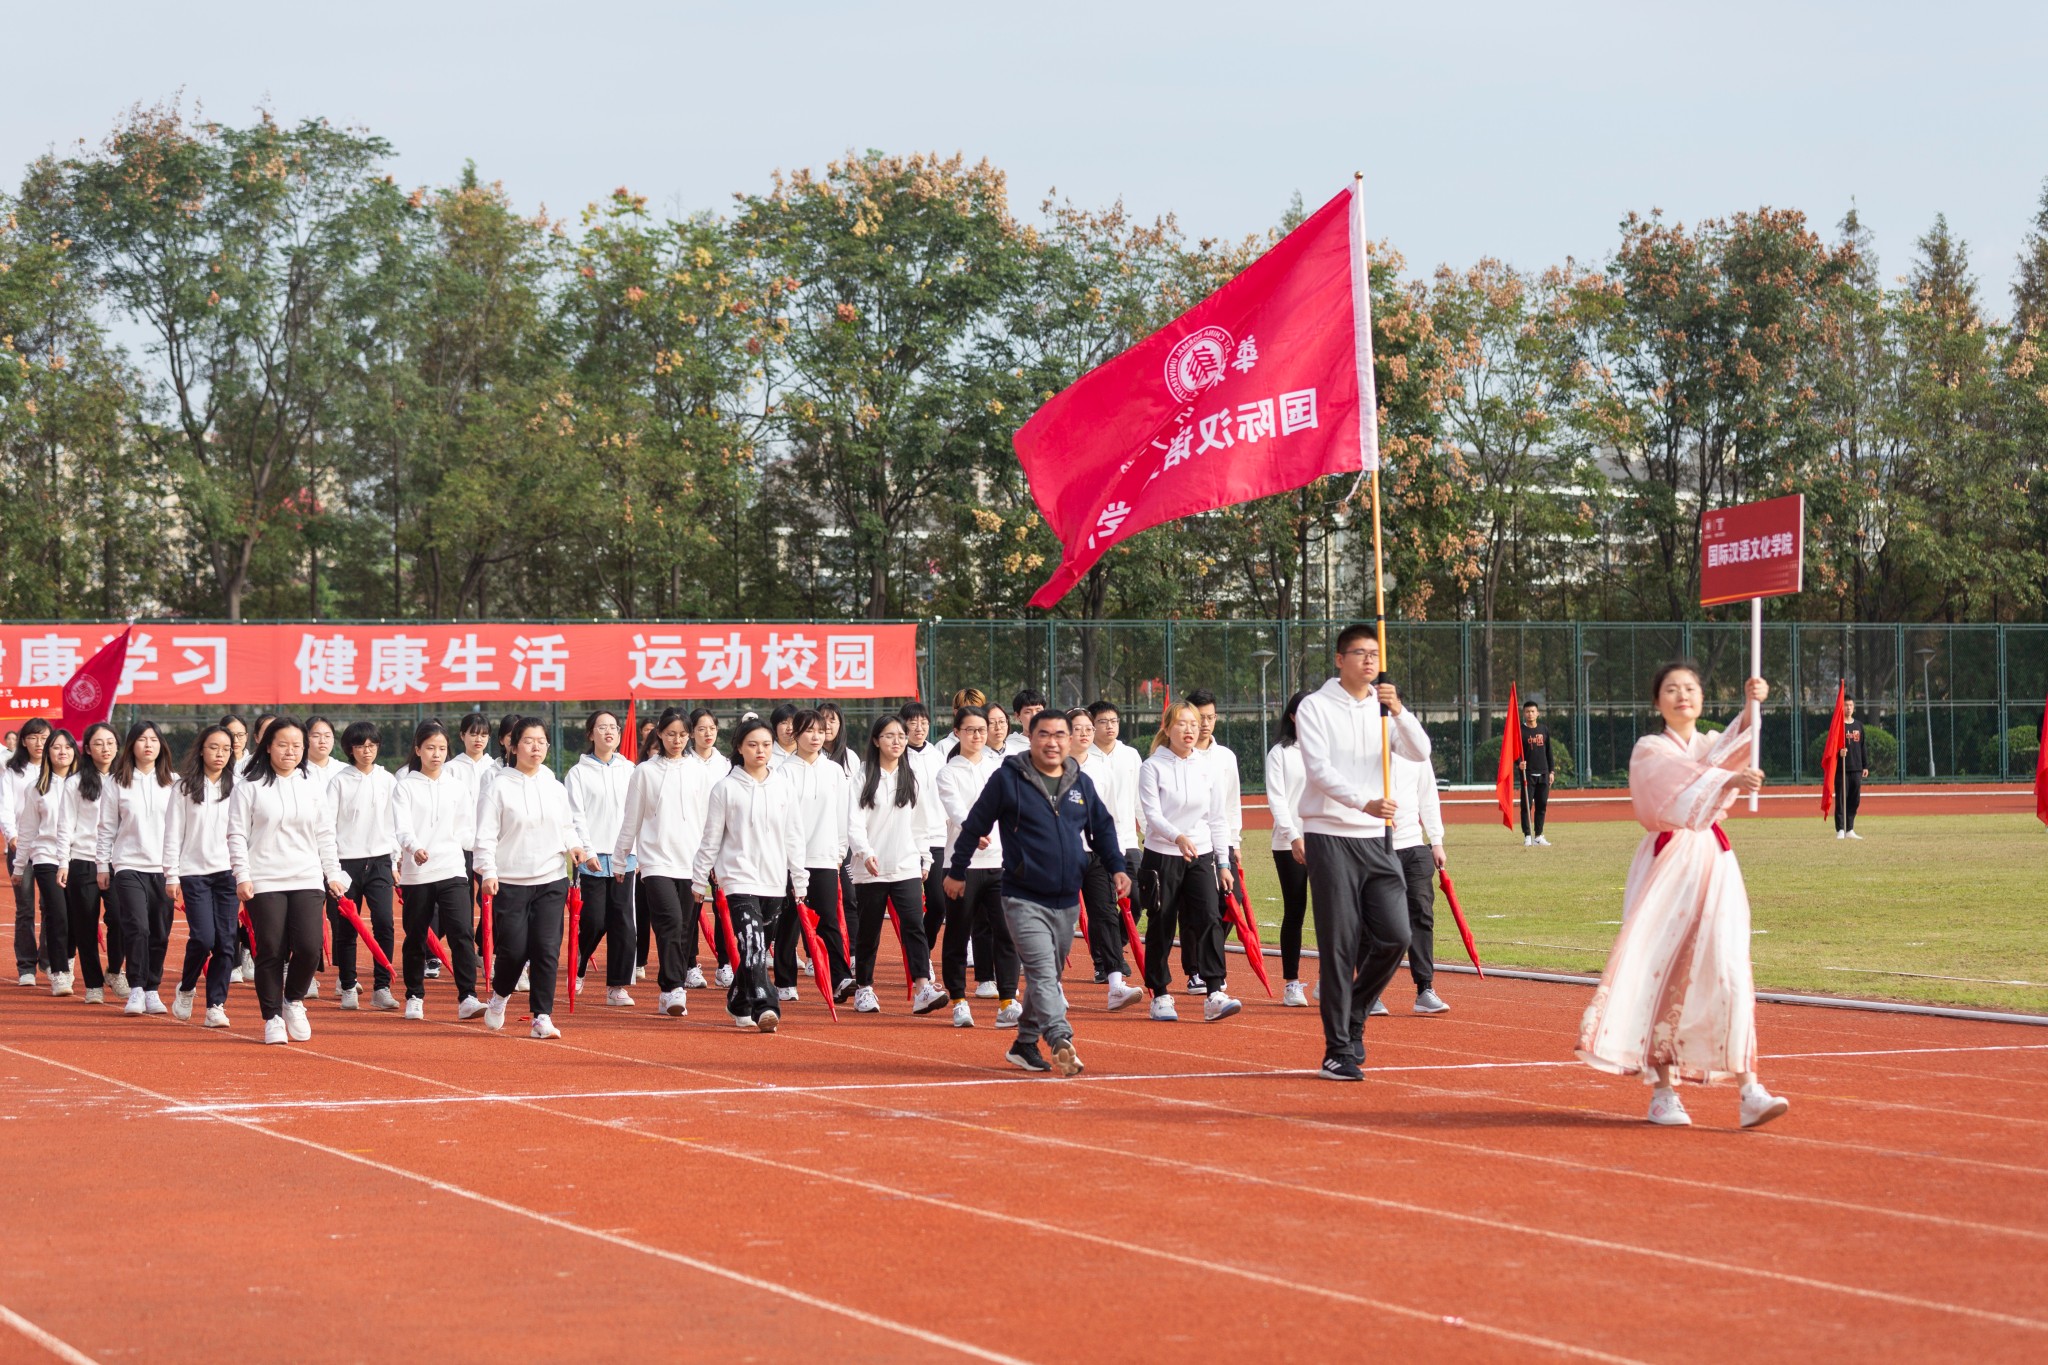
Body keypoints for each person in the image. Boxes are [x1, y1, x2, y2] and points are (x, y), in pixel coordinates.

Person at [1576, 664, 1790, 1130]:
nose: (1682, 696)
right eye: (1671, 689)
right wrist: (1728, 780)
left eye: (1690, 688)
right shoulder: (1649, 749)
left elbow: (1734, 746)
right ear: (1657, 702)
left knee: (1730, 970)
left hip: (1714, 861)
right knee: (1662, 971)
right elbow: (1682, 781)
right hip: (1668, 865)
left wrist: (1753, 703)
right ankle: (1663, 1093)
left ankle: (1750, 1089)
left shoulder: (1710, 743)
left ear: (1702, 697)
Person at [946, 709, 1128, 1076]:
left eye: (1060, 735)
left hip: (1066, 900)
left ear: (1070, 740)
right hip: (1022, 897)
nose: (1052, 742)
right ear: (1029, 738)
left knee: (1048, 976)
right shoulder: (1007, 780)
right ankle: (1060, 1037)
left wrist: (1117, 867)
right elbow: (975, 824)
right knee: (1043, 974)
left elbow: (1103, 828)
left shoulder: (1079, 783)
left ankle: (1024, 1044)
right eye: (1043, 734)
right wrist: (957, 870)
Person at [1295, 624, 1432, 1081]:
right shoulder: (1315, 707)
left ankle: (1355, 1012)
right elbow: (1318, 770)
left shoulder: (1383, 708)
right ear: (1340, 659)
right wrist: (1363, 802)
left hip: (1377, 839)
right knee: (1340, 943)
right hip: (1330, 835)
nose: (1370, 660)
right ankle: (1337, 1050)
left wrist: (1400, 711)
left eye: (1375, 653)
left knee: (1396, 935)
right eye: (1359, 652)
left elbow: (1420, 751)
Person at [229, 718, 349, 1045]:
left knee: (310, 948)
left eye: (297, 745)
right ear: (268, 746)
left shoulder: (312, 785)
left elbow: (325, 833)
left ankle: (293, 1000)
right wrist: (242, 875)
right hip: (264, 878)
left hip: (306, 876)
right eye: (283, 744)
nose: (290, 751)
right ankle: (272, 1017)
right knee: (271, 949)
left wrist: (333, 873)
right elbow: (237, 834)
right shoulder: (248, 786)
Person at [475, 717, 585, 1039]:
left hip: (551, 878)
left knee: (546, 949)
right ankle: (500, 996)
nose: (536, 747)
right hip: (510, 881)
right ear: (513, 746)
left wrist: (575, 845)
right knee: (513, 950)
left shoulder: (554, 786)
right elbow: (485, 835)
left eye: (541, 741)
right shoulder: (497, 787)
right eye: (528, 741)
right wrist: (488, 871)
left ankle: (542, 1016)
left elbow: (566, 826)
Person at [693, 718, 805, 1031]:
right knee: (753, 944)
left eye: (766, 745)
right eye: (753, 744)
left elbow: (794, 837)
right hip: (738, 879)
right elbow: (711, 839)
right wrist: (699, 880)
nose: (760, 751)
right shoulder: (725, 789)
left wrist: (799, 879)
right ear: (739, 748)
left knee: (755, 948)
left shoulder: (783, 787)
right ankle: (765, 1005)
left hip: (774, 881)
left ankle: (738, 1000)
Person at [1137, 702, 1239, 1022]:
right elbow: (1152, 815)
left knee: (1209, 918)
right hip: (1162, 856)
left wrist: (1223, 863)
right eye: (1182, 723)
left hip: (1201, 855)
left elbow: (1217, 818)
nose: (1190, 730)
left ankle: (1214, 992)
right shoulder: (1152, 767)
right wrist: (1177, 837)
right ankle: (1160, 994)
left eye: (1194, 724)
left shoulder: (1207, 767)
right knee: (1162, 923)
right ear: (1167, 728)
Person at [614, 707, 716, 1017]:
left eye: (683, 735)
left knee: (684, 927)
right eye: (671, 734)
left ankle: (668, 988)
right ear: (659, 734)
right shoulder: (644, 772)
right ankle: (674, 988)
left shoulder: (700, 772)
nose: (677, 740)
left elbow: (710, 822)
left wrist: (713, 860)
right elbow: (631, 818)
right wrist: (620, 858)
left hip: (691, 863)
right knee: (669, 921)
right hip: (655, 862)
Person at [846, 716, 947, 1017]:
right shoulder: (862, 777)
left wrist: (924, 857)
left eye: (901, 736)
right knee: (869, 931)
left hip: (906, 865)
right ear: (876, 740)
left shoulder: (910, 777)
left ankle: (922, 987)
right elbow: (854, 822)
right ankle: (864, 988)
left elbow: (920, 824)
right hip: (872, 868)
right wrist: (864, 853)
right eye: (890, 736)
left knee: (914, 925)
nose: (897, 741)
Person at [392, 720, 487, 1022]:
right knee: (416, 936)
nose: (436, 754)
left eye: (442, 748)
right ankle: (414, 995)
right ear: (418, 749)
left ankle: (468, 997)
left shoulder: (456, 787)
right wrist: (414, 847)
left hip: (452, 869)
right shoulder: (405, 786)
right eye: (430, 748)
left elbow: (466, 830)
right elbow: (402, 828)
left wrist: (487, 847)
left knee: (462, 933)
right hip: (417, 873)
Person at [935, 706, 1018, 1026]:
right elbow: (956, 810)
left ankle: (1008, 1000)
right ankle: (958, 1000)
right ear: (957, 732)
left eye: (981, 730)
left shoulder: (999, 768)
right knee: (958, 932)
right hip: (962, 865)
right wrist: (974, 830)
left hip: (999, 864)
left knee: (1006, 932)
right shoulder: (948, 773)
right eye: (970, 730)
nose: (977, 735)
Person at [96, 721, 179, 1017]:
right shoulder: (117, 782)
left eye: (154, 740)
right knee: (137, 927)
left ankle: (152, 988)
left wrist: (178, 869)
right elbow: (106, 828)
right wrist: (102, 865)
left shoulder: (174, 782)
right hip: (128, 865)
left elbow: (182, 829)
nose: (148, 745)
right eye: (142, 740)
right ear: (131, 745)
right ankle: (136, 988)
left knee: (160, 931)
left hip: (164, 868)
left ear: (161, 745)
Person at [774, 710, 854, 1004]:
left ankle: (840, 977)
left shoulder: (834, 771)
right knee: (789, 921)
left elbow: (843, 813)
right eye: (809, 731)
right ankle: (785, 980)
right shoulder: (783, 772)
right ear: (795, 734)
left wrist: (840, 851)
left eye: (820, 731)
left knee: (828, 919)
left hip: (825, 858)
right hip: (791, 860)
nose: (816, 736)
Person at [1069, 708, 1142, 1010]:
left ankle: (1115, 983)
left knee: (1106, 914)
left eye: (1089, 728)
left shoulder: (1101, 769)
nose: (1085, 733)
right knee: (1058, 919)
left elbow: (1108, 817)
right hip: (1061, 855)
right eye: (1078, 728)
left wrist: (1116, 858)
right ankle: (1047, 986)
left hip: (1096, 854)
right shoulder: (1051, 767)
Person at [164, 725, 237, 1026]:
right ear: (201, 750)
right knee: (204, 938)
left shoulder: (239, 787)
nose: (220, 754)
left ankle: (216, 1005)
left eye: (226, 749)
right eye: (214, 747)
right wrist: (171, 874)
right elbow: (172, 833)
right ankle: (187, 986)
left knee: (226, 942)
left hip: (229, 873)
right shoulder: (183, 788)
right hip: (194, 873)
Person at [565, 709, 637, 1006]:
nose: (609, 732)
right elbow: (576, 816)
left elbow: (637, 813)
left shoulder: (630, 769)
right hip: (592, 859)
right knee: (594, 920)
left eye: (613, 727)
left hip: (625, 857)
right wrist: (588, 851)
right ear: (590, 733)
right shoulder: (578, 773)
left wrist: (635, 850)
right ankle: (579, 965)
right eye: (602, 727)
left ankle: (617, 986)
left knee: (623, 923)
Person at [328, 721, 399, 1012]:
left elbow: (395, 823)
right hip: (346, 864)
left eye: (372, 745)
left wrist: (394, 861)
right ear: (350, 749)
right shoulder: (339, 781)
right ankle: (348, 985)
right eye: (360, 746)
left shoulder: (388, 780)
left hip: (380, 861)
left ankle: (382, 987)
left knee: (384, 923)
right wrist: (331, 869)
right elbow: (327, 826)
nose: (367, 751)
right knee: (346, 928)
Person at [54, 723, 121, 1002]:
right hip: (83, 860)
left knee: (120, 918)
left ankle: (115, 970)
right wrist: (63, 862)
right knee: (84, 924)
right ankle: (93, 985)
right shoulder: (76, 782)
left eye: (110, 742)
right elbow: (65, 825)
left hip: (118, 861)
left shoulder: (125, 779)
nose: (105, 748)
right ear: (88, 750)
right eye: (98, 743)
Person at [1382, 749, 1449, 1015]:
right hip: (1377, 847)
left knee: (1421, 913)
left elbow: (1428, 796)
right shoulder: (1366, 744)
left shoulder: (1417, 750)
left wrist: (1436, 841)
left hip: (1414, 846)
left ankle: (1424, 989)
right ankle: (1370, 991)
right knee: (1379, 921)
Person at [1186, 689, 1243, 994]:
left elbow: (1232, 802)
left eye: (1210, 717)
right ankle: (1196, 969)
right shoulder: (1178, 755)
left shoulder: (1225, 757)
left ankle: (1209, 956)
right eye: (1200, 718)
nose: (1205, 724)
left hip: (1222, 841)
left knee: (1231, 902)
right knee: (1194, 906)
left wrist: (1235, 842)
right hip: (1191, 843)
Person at [16, 729, 77, 996]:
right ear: (48, 753)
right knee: (57, 913)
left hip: (79, 856)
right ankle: (59, 971)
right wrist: (19, 866)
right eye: (56, 747)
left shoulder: (86, 784)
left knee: (76, 916)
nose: (62, 752)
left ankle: (69, 959)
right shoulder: (37, 787)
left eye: (67, 747)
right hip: (46, 856)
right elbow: (28, 828)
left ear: (75, 751)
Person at [1265, 691, 1312, 1007]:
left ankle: (1327, 979)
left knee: (1331, 914)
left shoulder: (1328, 750)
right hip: (1289, 843)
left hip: (1325, 841)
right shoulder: (1280, 753)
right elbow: (1277, 799)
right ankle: (1291, 983)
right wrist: (1294, 837)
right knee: (1295, 909)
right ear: (1293, 717)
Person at [901, 700, 951, 969]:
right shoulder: (898, 757)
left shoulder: (937, 755)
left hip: (937, 838)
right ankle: (919, 959)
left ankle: (922, 953)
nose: (919, 728)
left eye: (923, 722)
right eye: (913, 722)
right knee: (909, 906)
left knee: (938, 904)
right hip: (906, 841)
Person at [4, 718, 52, 984]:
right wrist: (12, 836)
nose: (39, 743)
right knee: (25, 908)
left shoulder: (57, 771)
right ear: (24, 741)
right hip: (20, 847)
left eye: (44, 738)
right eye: (33, 737)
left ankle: (48, 960)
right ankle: (26, 968)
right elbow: (5, 806)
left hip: (49, 849)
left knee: (51, 905)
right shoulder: (13, 771)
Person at [1518, 700, 1554, 846]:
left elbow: (1549, 752)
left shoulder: (1544, 729)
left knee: (1542, 805)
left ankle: (1538, 836)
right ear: (1524, 713)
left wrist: (1551, 771)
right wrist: (1519, 763)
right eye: (1527, 711)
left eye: (1533, 711)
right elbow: (1514, 752)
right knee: (1526, 806)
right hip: (1528, 775)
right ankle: (1528, 835)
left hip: (1544, 774)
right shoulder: (1520, 731)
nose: (1530, 714)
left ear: (1537, 713)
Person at [1835, 696, 1868, 840]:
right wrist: (1839, 752)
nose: (1848, 708)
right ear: (1842, 707)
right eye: (1846, 705)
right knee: (1841, 800)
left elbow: (1863, 747)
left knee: (1855, 800)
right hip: (1842, 769)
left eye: (1850, 705)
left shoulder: (1859, 726)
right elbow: (1831, 747)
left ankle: (1850, 829)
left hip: (1856, 768)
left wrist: (1865, 766)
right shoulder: (1838, 726)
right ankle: (1840, 829)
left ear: (1853, 707)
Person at [1006, 689, 1046, 755]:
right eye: (1028, 712)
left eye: (1038, 711)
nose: (1034, 716)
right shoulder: (1008, 747)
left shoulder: (1054, 743)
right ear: (1017, 716)